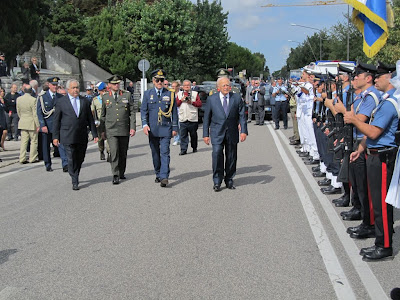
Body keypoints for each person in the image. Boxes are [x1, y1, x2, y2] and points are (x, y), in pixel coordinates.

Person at [344, 61, 398, 261]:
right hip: (374, 153)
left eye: (379, 76)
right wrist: (360, 149)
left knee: (382, 203)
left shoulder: (390, 103)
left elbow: (374, 131)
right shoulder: (384, 100)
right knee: (376, 201)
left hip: (383, 156)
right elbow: (371, 133)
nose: (376, 79)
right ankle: (380, 239)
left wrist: (355, 120)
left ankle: (384, 246)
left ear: (390, 78)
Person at [203, 77, 248, 191]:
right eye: (224, 85)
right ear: (218, 88)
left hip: (232, 132)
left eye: (228, 85)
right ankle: (217, 181)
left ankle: (229, 179)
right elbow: (206, 118)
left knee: (231, 156)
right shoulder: (212, 99)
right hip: (217, 132)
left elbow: (242, 116)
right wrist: (205, 134)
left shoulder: (236, 98)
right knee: (217, 154)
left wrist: (243, 131)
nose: (226, 87)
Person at [53, 79, 98, 190]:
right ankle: (74, 179)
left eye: (77, 87)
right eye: (73, 88)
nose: (75, 90)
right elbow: (56, 121)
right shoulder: (61, 102)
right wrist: (55, 136)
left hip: (81, 135)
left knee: (80, 158)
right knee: (71, 158)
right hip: (67, 135)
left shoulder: (84, 101)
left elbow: (90, 119)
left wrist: (95, 134)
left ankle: (75, 172)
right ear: (68, 89)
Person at [141, 69, 178, 187]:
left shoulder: (170, 94)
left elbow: (174, 113)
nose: (159, 82)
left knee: (165, 152)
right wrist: (144, 124)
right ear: (153, 81)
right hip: (152, 129)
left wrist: (175, 127)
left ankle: (164, 176)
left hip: (166, 128)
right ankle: (158, 172)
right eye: (157, 80)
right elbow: (144, 111)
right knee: (155, 153)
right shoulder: (147, 94)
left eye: (161, 80)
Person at [100, 75, 136, 185]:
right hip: (111, 129)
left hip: (123, 128)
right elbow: (103, 115)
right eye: (114, 83)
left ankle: (121, 171)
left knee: (123, 152)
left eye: (118, 83)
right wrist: (102, 131)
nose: (116, 85)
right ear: (109, 85)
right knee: (114, 151)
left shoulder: (127, 95)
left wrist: (132, 127)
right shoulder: (106, 97)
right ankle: (115, 174)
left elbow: (132, 112)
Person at [37, 76, 68, 172]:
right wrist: (42, 125)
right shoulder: (42, 97)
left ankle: (65, 163)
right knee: (46, 146)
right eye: (53, 85)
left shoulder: (61, 97)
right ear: (49, 85)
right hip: (48, 125)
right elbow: (39, 112)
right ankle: (48, 164)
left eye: (56, 85)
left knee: (62, 145)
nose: (55, 87)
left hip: (59, 126)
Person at [176, 79, 202, 155]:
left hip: (192, 117)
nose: (187, 87)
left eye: (188, 85)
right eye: (185, 85)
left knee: (193, 134)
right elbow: (176, 104)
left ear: (190, 86)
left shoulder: (195, 93)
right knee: (183, 135)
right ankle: (183, 149)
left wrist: (192, 102)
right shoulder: (179, 94)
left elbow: (199, 104)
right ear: (182, 86)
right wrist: (181, 100)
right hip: (183, 117)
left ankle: (194, 147)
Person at [16, 85, 40, 164]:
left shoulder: (19, 99)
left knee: (24, 141)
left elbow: (18, 111)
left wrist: (22, 118)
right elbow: (34, 113)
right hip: (31, 122)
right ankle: (32, 157)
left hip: (23, 121)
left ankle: (22, 158)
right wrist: (38, 124)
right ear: (31, 91)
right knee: (33, 141)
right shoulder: (33, 100)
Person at [91, 82, 109, 161]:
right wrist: (94, 122)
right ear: (99, 91)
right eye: (102, 91)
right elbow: (93, 111)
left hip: (109, 122)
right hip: (100, 122)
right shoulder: (95, 100)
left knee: (109, 138)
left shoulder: (109, 99)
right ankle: (101, 151)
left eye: (105, 90)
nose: (104, 92)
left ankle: (109, 153)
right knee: (101, 138)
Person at [171, 80, 181, 146]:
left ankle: (179, 139)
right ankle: (176, 139)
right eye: (172, 86)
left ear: (178, 87)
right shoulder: (171, 94)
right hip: (173, 113)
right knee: (174, 126)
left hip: (180, 112)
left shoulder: (181, 94)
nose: (173, 88)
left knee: (179, 126)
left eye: (174, 86)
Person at [0, 88, 7, 156]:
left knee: (4, 131)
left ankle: (2, 143)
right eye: (1, 91)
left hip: (4, 118)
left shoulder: (5, 100)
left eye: (3, 91)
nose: (2, 93)